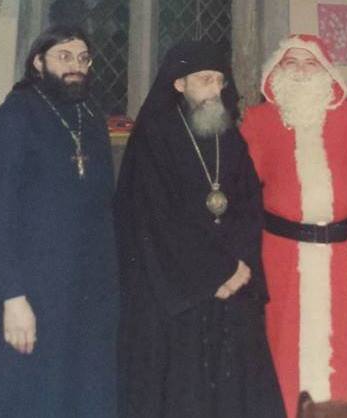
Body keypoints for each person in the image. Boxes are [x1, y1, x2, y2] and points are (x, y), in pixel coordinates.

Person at [0, 26, 119, 417]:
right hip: (28, 296)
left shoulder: (89, 118)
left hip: (81, 298)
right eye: (64, 56)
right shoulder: (10, 119)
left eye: (83, 58)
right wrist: (12, 297)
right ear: (38, 63)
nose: (75, 66)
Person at [114, 40, 285, 418]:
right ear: (179, 84)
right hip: (180, 294)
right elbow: (156, 219)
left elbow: (248, 205)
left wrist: (240, 265)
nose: (215, 89)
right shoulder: (154, 136)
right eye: (205, 80)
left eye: (220, 81)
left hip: (231, 289)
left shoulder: (228, 135)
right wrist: (218, 271)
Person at [240, 34, 347, 416]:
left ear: (326, 71)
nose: (302, 71)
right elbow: (242, 189)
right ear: (277, 71)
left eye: (310, 63)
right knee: (285, 345)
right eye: (292, 63)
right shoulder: (259, 121)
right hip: (282, 257)